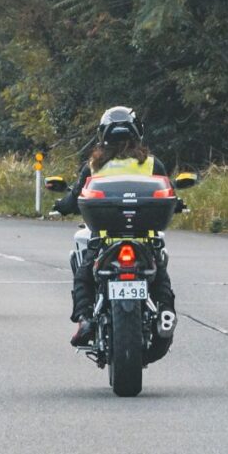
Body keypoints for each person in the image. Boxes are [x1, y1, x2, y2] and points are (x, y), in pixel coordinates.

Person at [59, 105, 177, 348]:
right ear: (137, 133)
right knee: (160, 274)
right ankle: (166, 311)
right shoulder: (151, 164)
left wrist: (61, 205)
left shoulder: (94, 166)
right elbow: (168, 192)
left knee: (84, 275)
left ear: (103, 135)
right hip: (144, 239)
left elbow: (74, 198)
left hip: (105, 240)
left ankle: (84, 319)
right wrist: (178, 203)